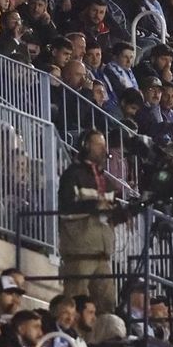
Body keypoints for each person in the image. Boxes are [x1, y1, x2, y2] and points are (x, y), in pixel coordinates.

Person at [56, 129, 127, 315]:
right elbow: (66, 209)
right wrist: (95, 205)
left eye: (104, 146)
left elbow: (110, 213)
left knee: (107, 304)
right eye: (98, 145)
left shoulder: (107, 181)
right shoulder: (72, 175)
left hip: (102, 254)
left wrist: (122, 214)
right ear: (85, 146)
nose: (104, 150)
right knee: (74, 302)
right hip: (79, 252)